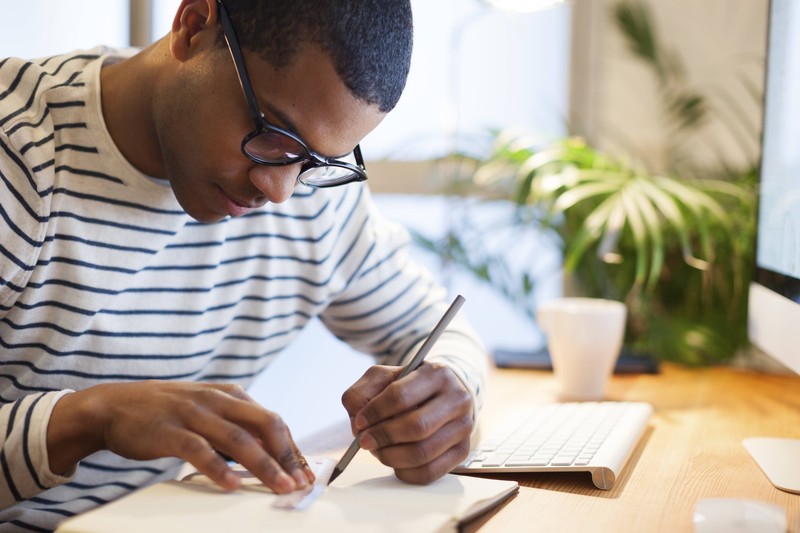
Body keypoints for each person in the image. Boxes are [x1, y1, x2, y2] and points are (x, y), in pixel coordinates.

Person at [0, 0, 489, 530]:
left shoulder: (311, 196)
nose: (280, 191)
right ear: (193, 27)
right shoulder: (21, 156)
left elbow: (437, 329)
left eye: (319, 162)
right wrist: (89, 419)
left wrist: (448, 394)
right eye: (274, 135)